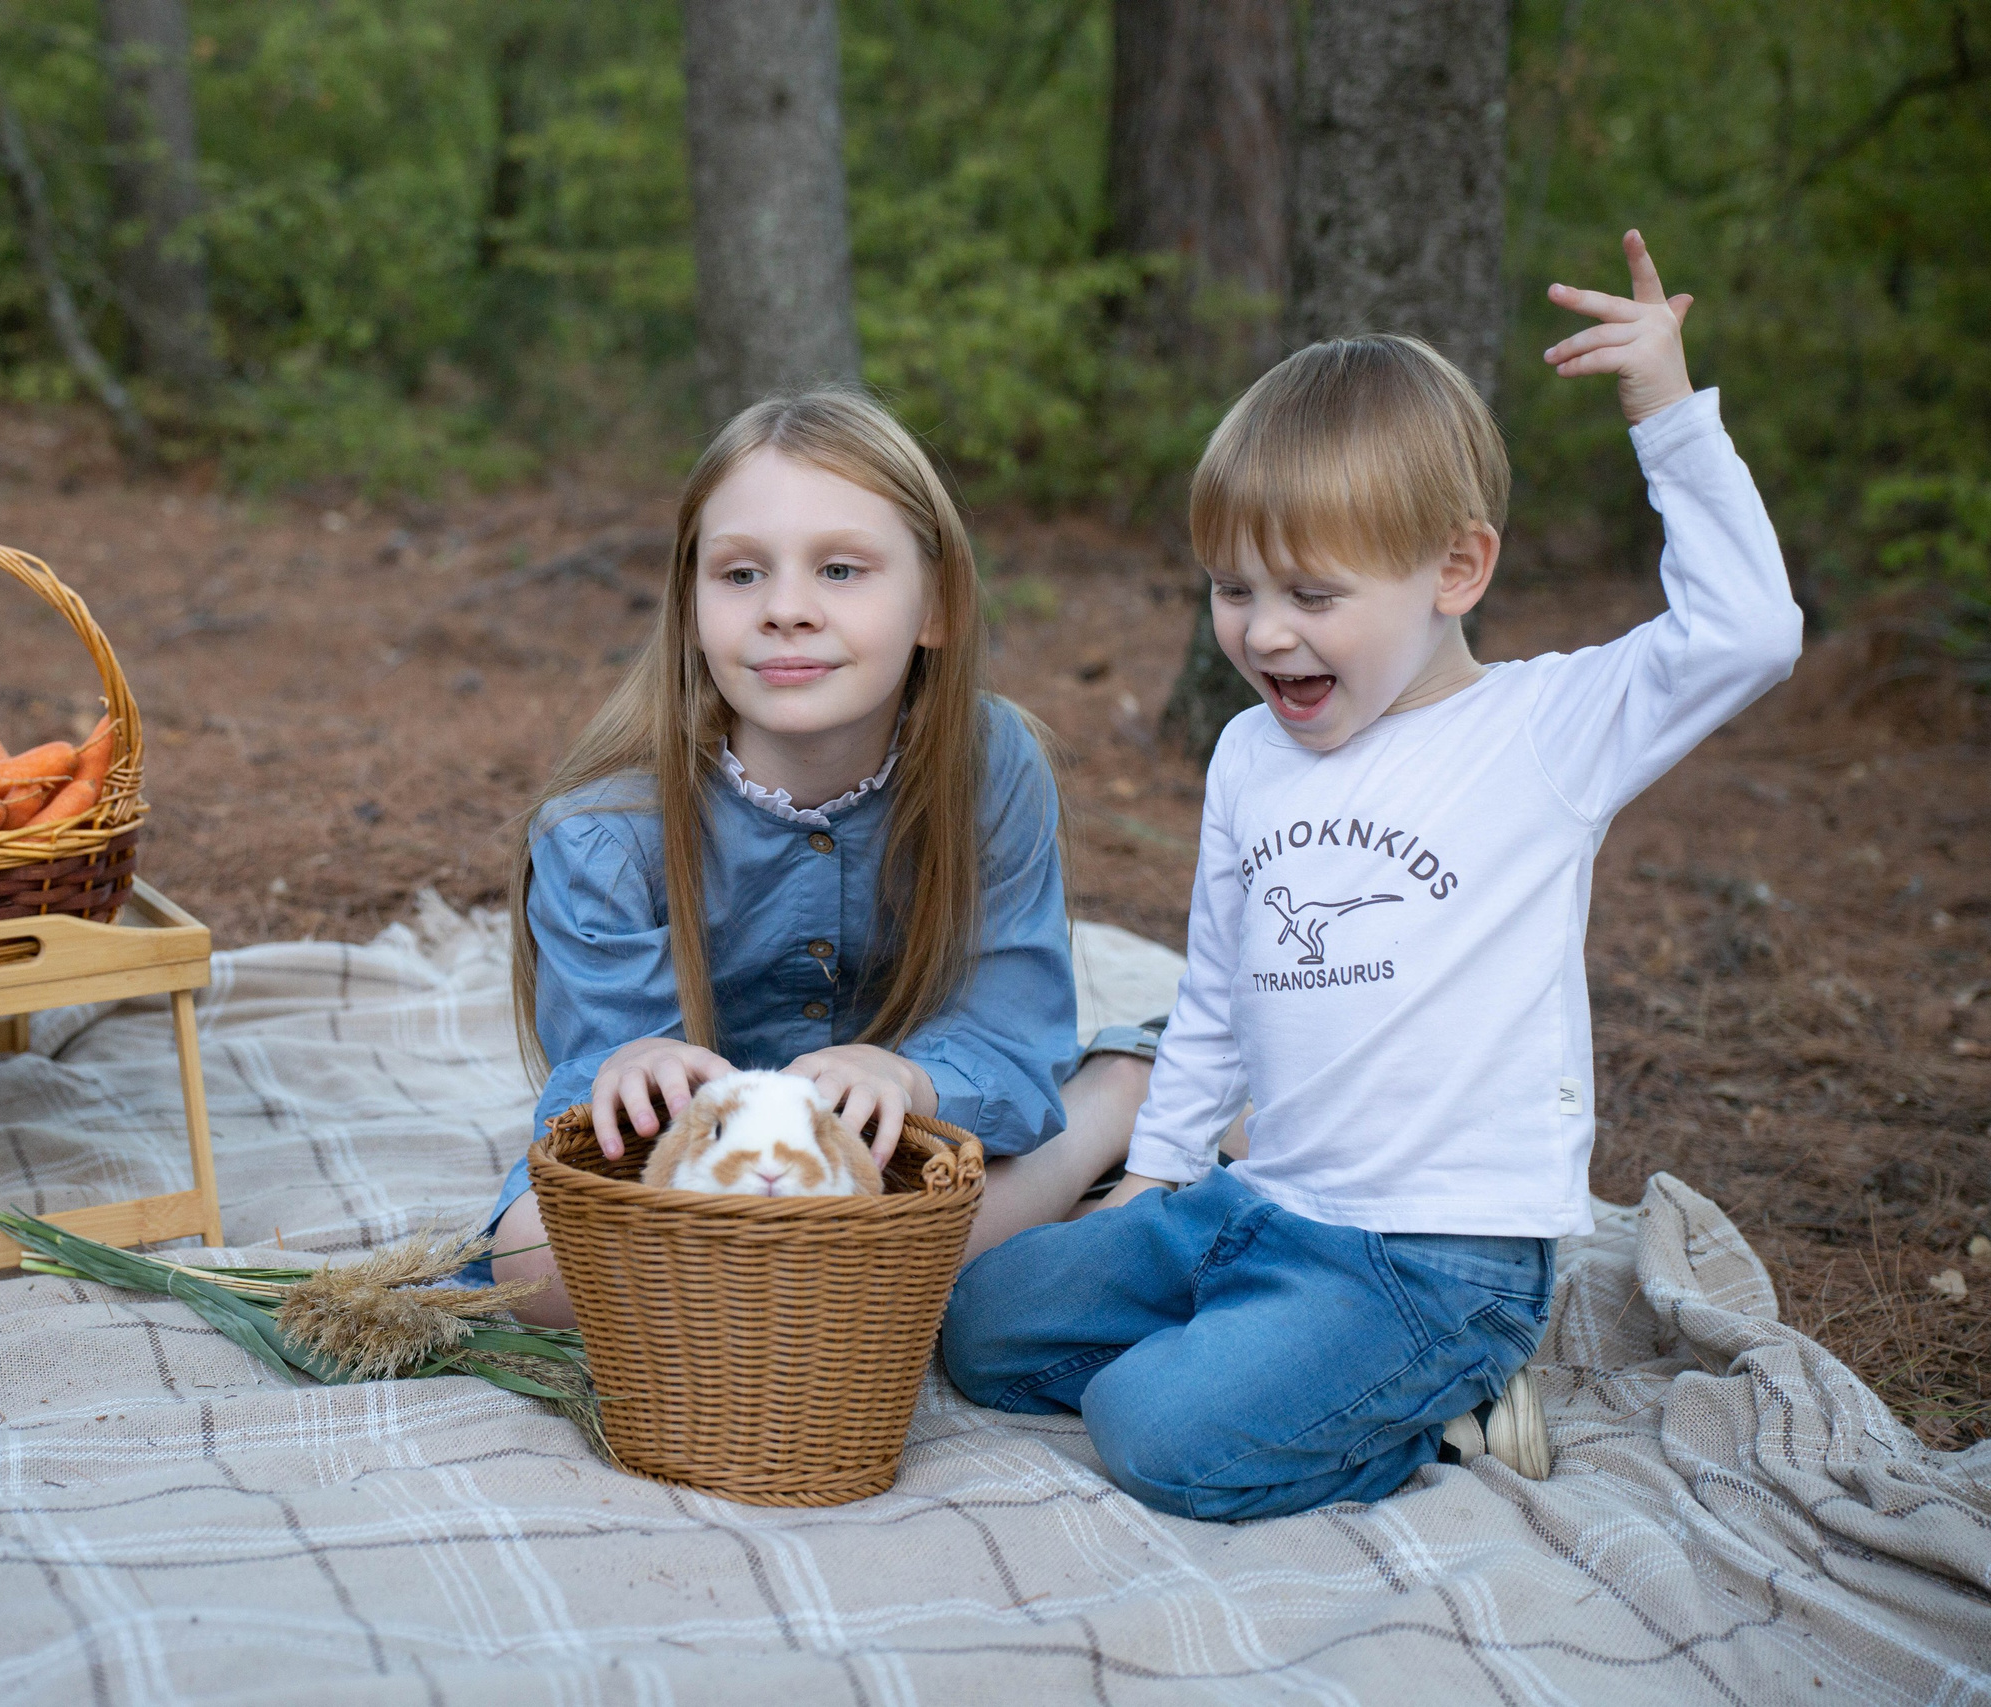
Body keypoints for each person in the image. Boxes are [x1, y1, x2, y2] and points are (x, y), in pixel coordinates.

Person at [939, 232, 1803, 1519]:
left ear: (1455, 569)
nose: (1262, 631)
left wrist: (1667, 417)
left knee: (1151, 1431)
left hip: (1425, 1259)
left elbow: (1748, 631)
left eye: (1310, 592)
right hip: (1249, 1209)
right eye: (1231, 589)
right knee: (979, 1323)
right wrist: (1157, 1174)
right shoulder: (1249, 751)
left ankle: (1431, 1404)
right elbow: (1222, 983)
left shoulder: (1545, 732)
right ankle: (1262, 1360)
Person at [477, 390, 1156, 1326]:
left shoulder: (989, 766)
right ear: (689, 605)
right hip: (701, 1168)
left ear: (937, 605)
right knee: (529, 1267)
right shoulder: (601, 828)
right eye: (742, 574)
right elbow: (600, 1098)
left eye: (840, 569)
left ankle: (1113, 1099)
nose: (786, 610)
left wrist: (907, 1078)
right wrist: (633, 1064)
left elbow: (1007, 1037)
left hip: (903, 1140)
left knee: (895, 1241)